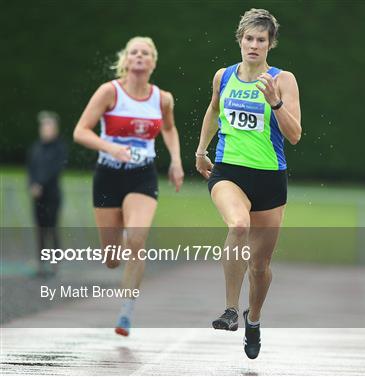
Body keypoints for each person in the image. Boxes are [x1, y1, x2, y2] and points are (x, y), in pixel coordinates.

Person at [196, 8, 301, 359]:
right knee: (237, 224)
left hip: (270, 179)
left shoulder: (282, 80)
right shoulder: (224, 76)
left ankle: (253, 319)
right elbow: (213, 110)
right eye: (249, 38)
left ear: (271, 44)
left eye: (261, 39)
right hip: (229, 172)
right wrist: (200, 150)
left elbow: (295, 135)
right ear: (240, 40)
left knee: (259, 266)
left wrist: (276, 102)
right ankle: (229, 310)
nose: (254, 45)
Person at [73, 36, 184, 336]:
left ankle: (126, 311)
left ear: (153, 62)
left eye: (145, 53)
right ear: (126, 59)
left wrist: (176, 161)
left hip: (141, 174)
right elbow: (80, 131)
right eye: (134, 52)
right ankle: (118, 243)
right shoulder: (109, 92)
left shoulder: (162, 99)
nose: (139, 56)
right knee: (111, 259)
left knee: (136, 238)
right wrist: (110, 148)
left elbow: (170, 130)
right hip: (109, 174)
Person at [27, 111, 67, 278]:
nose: (45, 129)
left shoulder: (59, 148)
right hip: (37, 196)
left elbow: (55, 169)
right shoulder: (35, 148)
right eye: (43, 126)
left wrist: (41, 184)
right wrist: (32, 185)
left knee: (52, 227)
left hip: (52, 194)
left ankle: (55, 262)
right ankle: (41, 261)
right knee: (40, 229)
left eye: (49, 125)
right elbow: (31, 169)